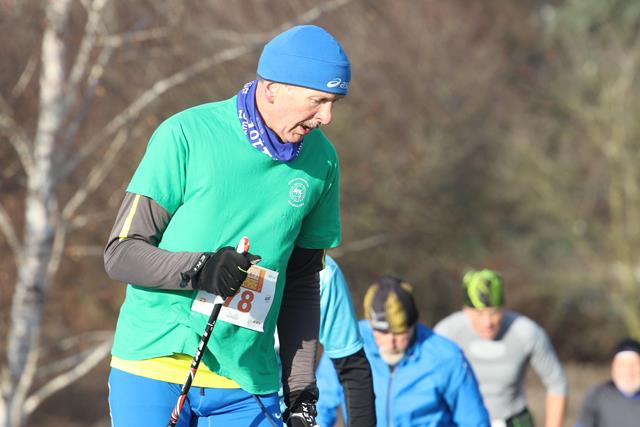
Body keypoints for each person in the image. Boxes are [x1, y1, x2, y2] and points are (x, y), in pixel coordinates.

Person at [103, 24, 351, 427]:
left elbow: (302, 281)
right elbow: (121, 253)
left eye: (334, 102)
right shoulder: (186, 134)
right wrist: (201, 268)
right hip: (154, 364)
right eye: (318, 100)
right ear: (273, 88)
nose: (327, 117)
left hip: (247, 382)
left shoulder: (322, 161)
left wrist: (301, 392)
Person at [316, 275, 490, 427]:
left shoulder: (447, 357)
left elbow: (473, 421)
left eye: (400, 333)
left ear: (414, 324)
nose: (391, 341)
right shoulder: (347, 345)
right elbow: (320, 404)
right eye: (382, 332)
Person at [434, 269, 568, 427]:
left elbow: (557, 383)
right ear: (466, 310)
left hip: (514, 420)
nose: (487, 323)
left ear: (504, 307)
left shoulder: (526, 332)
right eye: (479, 314)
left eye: (494, 313)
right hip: (462, 421)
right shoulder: (447, 333)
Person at [575, 337, 640, 427]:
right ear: (613, 367)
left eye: (634, 365)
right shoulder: (597, 396)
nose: (628, 371)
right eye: (623, 364)